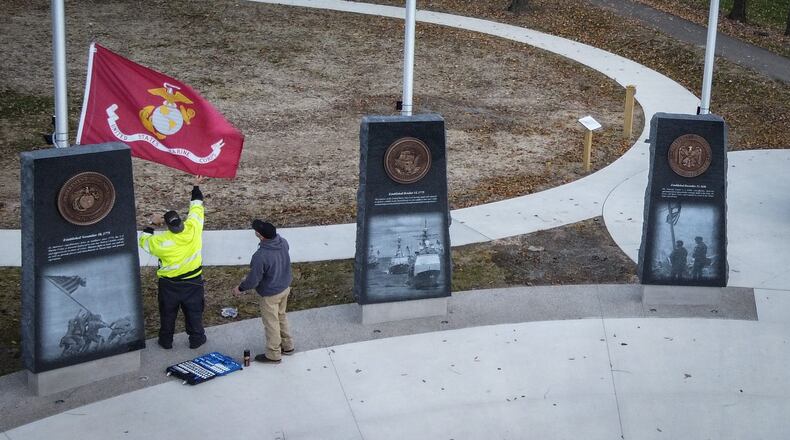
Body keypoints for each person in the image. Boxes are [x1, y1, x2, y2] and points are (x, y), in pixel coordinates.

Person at [139, 175, 207, 349]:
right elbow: (197, 206)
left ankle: (166, 341)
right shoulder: (194, 227)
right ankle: (197, 339)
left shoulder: (161, 242)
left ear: (167, 226)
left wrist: (152, 224)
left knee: (167, 314)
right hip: (193, 283)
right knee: (194, 313)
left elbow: (144, 241)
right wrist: (196, 186)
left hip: (169, 285)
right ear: (182, 222)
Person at [233, 220, 294, 363]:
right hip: (285, 287)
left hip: (270, 294)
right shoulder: (283, 242)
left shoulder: (261, 256)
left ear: (260, 236)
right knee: (281, 316)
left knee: (271, 323)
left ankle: (273, 354)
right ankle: (288, 346)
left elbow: (253, 280)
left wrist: (240, 288)